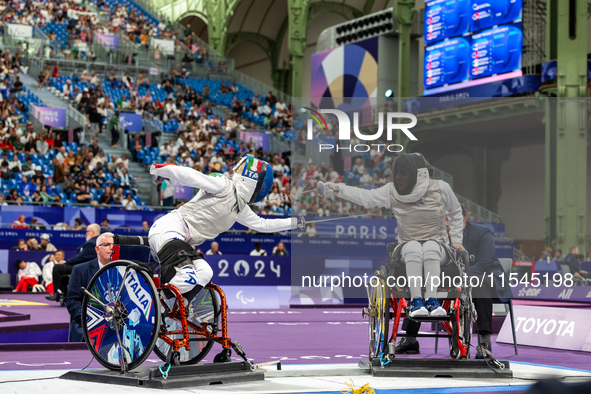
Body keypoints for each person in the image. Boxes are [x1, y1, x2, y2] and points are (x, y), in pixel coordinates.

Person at [318, 153, 464, 319]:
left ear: (417, 174)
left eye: (403, 173)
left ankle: (432, 300)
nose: (398, 177)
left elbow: (456, 212)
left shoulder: (441, 187)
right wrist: (338, 189)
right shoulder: (392, 190)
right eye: (397, 173)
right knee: (414, 246)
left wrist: (457, 240)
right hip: (407, 248)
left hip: (439, 248)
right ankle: (416, 301)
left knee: (430, 246)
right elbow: (366, 197)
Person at [148, 156, 297, 303]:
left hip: (182, 243)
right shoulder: (223, 185)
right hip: (169, 229)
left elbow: (263, 225)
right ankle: (154, 302)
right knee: (188, 277)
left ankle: (176, 309)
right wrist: (162, 169)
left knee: (205, 273)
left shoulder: (240, 208)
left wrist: (295, 222)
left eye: (240, 169)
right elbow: (192, 177)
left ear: (250, 178)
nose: (234, 170)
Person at [395, 206, 512, 359]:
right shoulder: (438, 235)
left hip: (481, 275)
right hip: (451, 277)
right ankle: (410, 338)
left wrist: (460, 275)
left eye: (448, 219)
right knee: (425, 280)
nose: (445, 223)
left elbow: (484, 264)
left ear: (461, 220)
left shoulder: (481, 233)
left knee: (479, 282)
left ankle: (484, 342)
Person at [66, 232, 113, 342]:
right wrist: (88, 321)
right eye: (107, 245)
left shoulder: (124, 270)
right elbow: (72, 300)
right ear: (97, 249)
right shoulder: (80, 270)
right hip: (88, 326)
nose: (111, 248)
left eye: (114, 246)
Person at [46, 224, 100, 303]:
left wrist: (66, 262)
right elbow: (79, 251)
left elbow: (81, 257)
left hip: (86, 267)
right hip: (86, 265)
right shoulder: (95, 241)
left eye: (87, 231)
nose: (86, 233)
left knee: (57, 267)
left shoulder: (92, 243)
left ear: (92, 232)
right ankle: (62, 292)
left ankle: (57, 293)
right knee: (63, 272)